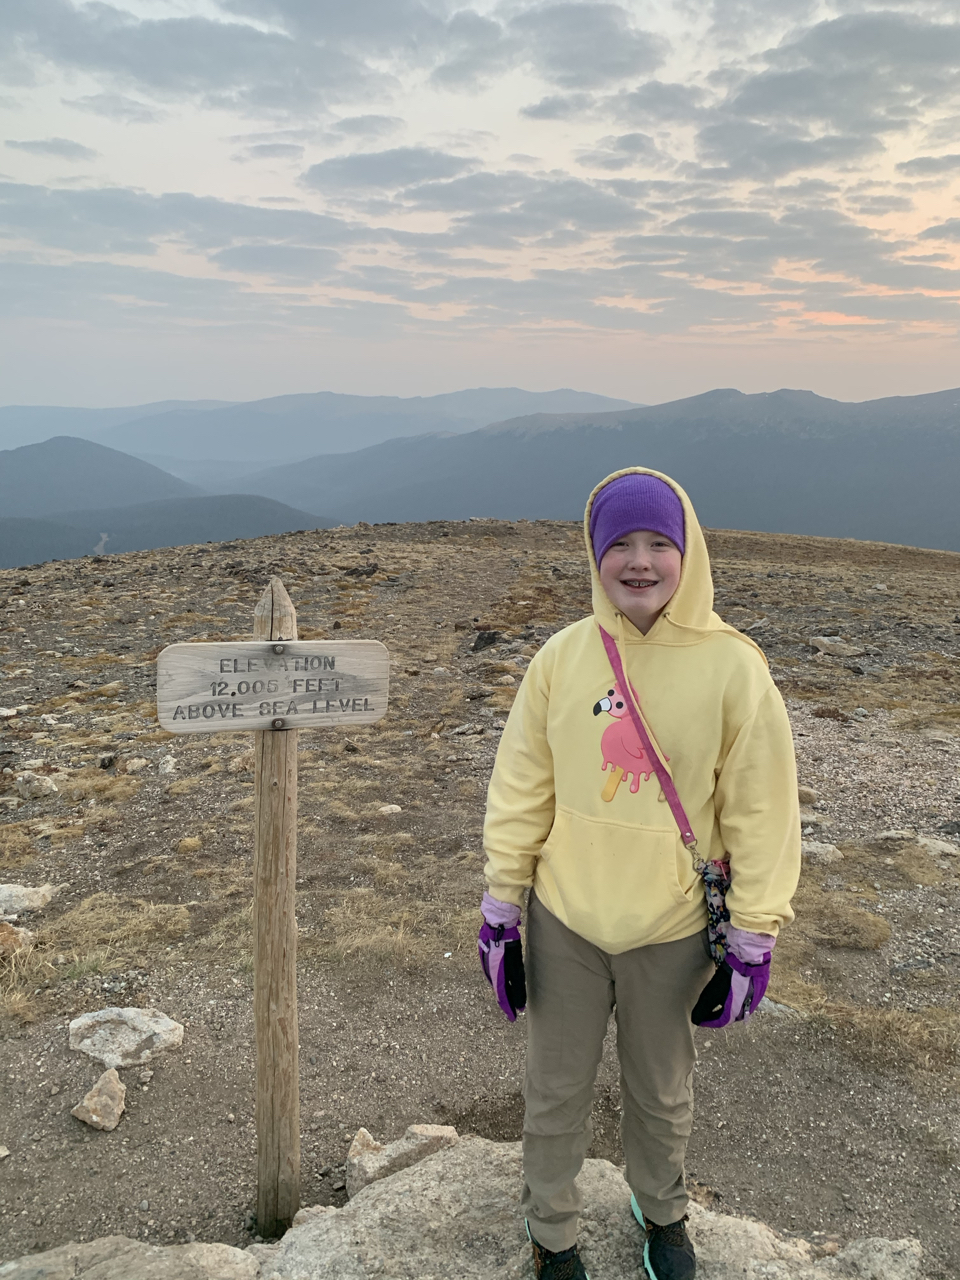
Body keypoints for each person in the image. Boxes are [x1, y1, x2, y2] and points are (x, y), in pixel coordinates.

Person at [478, 468, 801, 1280]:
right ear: (594, 555)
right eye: (618, 543)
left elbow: (763, 808)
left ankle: (662, 1213)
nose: (640, 561)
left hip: (672, 927)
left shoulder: (734, 670)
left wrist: (754, 935)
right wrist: (501, 903)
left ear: (687, 550)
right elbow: (523, 784)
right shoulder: (561, 659)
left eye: (659, 541)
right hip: (566, 921)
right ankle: (552, 1233)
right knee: (555, 1093)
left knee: (661, 1094)